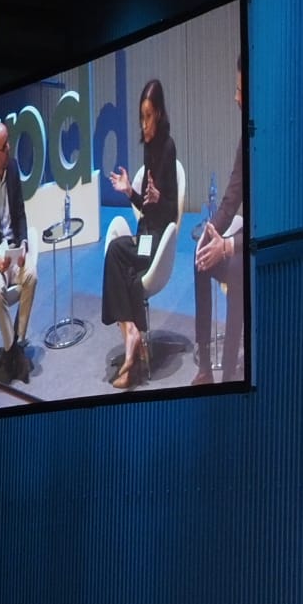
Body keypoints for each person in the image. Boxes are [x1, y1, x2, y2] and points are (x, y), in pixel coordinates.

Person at [102, 78, 180, 389]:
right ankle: (132, 337)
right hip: (146, 231)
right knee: (121, 263)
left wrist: (159, 199)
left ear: (159, 114)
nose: (144, 123)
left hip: (158, 239)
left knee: (116, 256)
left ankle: (132, 338)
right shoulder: (148, 147)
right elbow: (146, 207)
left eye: (148, 116)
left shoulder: (167, 147)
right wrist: (130, 192)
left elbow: (170, 211)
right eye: (141, 116)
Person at [192, 61, 247, 385]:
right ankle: (205, 369)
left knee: (238, 270)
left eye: (240, 89)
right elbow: (231, 196)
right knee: (201, 257)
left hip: (265, 240)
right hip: (245, 233)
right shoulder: (245, 138)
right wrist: (213, 233)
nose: (235, 97)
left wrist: (229, 246)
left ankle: (229, 373)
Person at [0, 119, 37, 380]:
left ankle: (19, 340)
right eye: (5, 146)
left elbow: (21, 215)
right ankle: (12, 349)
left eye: (8, 142)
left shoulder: (13, 170)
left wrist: (23, 244)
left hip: (15, 253)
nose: (9, 148)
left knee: (32, 276)